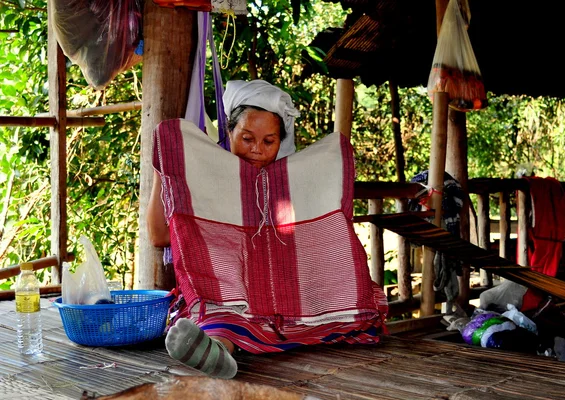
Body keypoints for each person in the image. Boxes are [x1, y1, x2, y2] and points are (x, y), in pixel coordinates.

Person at [148, 79, 387, 380]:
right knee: (221, 316)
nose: (257, 150)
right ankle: (218, 351)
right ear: (229, 132)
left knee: (350, 322)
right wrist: (169, 172)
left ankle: (237, 339)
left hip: (285, 303)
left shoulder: (293, 186)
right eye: (247, 138)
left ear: (280, 142)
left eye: (268, 141)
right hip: (227, 299)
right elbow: (159, 236)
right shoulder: (205, 179)